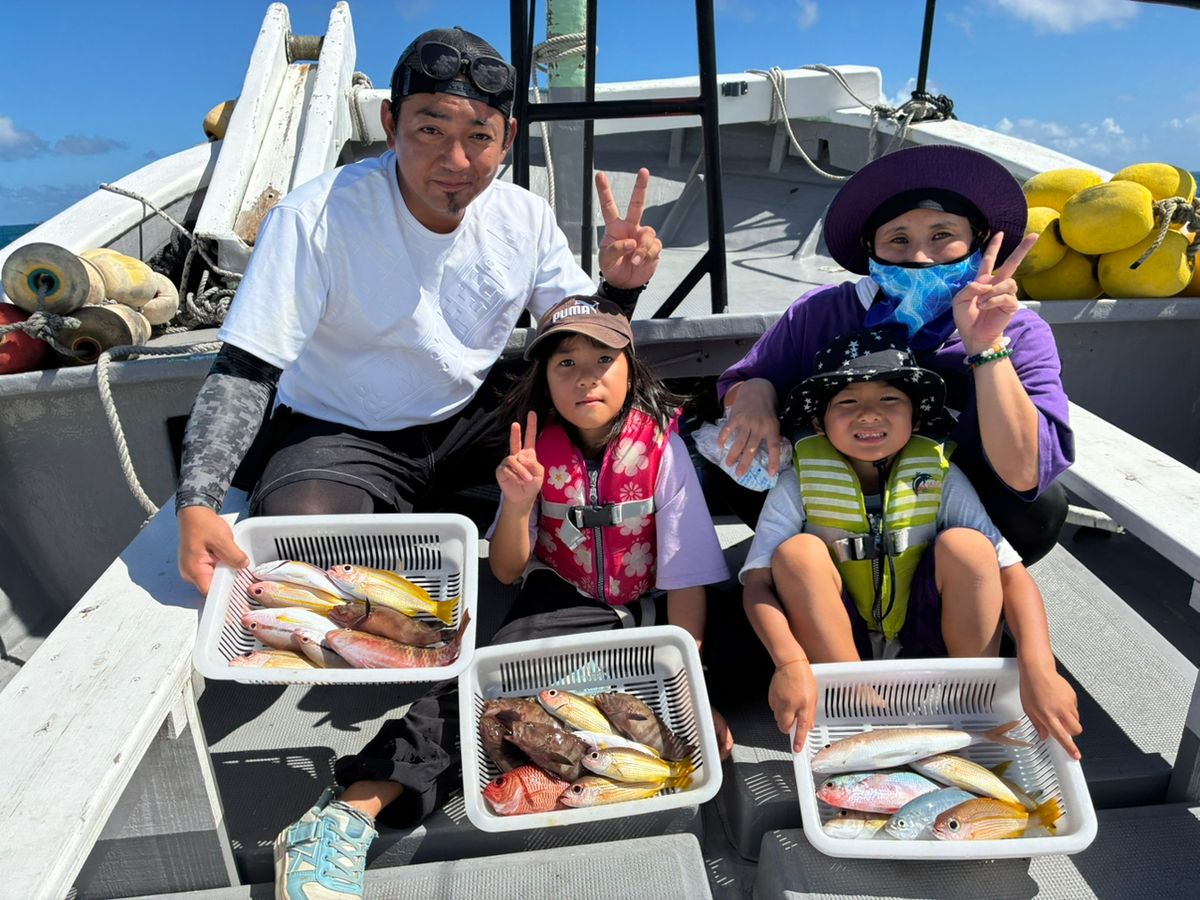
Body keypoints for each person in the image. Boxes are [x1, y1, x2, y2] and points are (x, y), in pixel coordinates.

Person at [273, 296, 733, 899]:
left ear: (633, 370)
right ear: (543, 378)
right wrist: (518, 502)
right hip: (567, 596)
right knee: (477, 681)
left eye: (603, 359)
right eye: (564, 363)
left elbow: (687, 580)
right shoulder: (534, 451)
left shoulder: (663, 449)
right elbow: (512, 568)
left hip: (664, 606)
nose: (585, 376)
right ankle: (349, 812)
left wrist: (698, 691)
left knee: (758, 632)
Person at [175, 26, 663, 594]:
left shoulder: (524, 217)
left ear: (506, 140)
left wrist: (620, 287)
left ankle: (575, 568)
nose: (455, 160)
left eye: (479, 135)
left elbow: (581, 338)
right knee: (297, 545)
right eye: (430, 129)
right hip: (345, 429)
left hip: (473, 417)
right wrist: (198, 502)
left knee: (603, 415)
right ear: (390, 124)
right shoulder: (316, 218)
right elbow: (246, 369)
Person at [716, 144, 1072, 569]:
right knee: (730, 450)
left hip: (956, 520)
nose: (920, 257)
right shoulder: (822, 312)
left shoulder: (1019, 331)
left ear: (976, 242)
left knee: (1041, 509)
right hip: (834, 509)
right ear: (871, 250)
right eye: (898, 240)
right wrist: (755, 391)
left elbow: (1025, 475)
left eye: (943, 236)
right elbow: (739, 384)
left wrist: (986, 347)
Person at [739, 329, 1081, 760]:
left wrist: (1039, 667)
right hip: (841, 654)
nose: (868, 415)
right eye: (847, 402)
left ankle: (969, 699)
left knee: (970, 548)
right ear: (817, 422)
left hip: (929, 640)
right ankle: (859, 704)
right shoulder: (797, 482)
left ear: (916, 419)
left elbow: (1012, 575)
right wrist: (789, 663)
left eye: (889, 400)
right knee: (797, 554)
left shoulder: (940, 474)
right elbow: (757, 587)